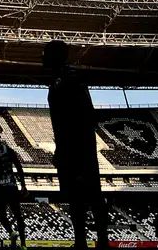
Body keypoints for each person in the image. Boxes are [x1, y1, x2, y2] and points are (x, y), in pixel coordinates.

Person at [43, 40, 109, 249]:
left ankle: (102, 241)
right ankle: (81, 240)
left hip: (78, 147)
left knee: (91, 194)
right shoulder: (59, 80)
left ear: (55, 55)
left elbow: (85, 115)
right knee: (76, 197)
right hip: (70, 147)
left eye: (45, 53)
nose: (42, 57)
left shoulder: (70, 79)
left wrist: (74, 148)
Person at [0, 130, 27, 250]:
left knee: (1, 214)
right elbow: (18, 166)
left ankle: (11, 232)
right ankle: (23, 244)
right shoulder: (8, 150)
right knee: (18, 215)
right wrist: (23, 184)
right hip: (12, 186)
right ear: (0, 137)